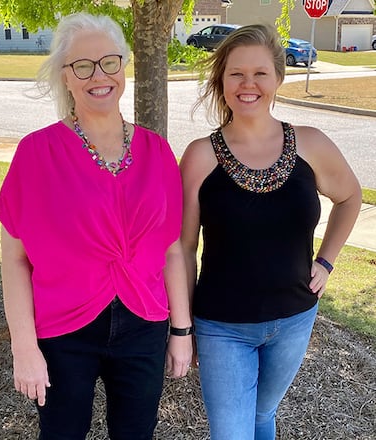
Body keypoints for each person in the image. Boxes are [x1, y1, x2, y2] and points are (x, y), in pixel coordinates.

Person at [0, 12, 193, 439]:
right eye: (82, 66)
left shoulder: (157, 151)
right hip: (64, 329)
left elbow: (173, 249)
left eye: (109, 62)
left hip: (144, 322)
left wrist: (181, 330)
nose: (97, 75)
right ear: (65, 77)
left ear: (123, 66)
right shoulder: (37, 153)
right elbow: (13, 259)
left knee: (136, 433)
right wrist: (23, 346)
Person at [180, 24, 362, 440]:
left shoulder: (311, 145)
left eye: (260, 73)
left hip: (295, 318)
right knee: (231, 433)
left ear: (278, 77)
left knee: (262, 416)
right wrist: (183, 325)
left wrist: (327, 260)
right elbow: (183, 249)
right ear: (221, 81)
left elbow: (350, 197)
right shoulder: (200, 157)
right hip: (221, 325)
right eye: (236, 74)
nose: (249, 84)